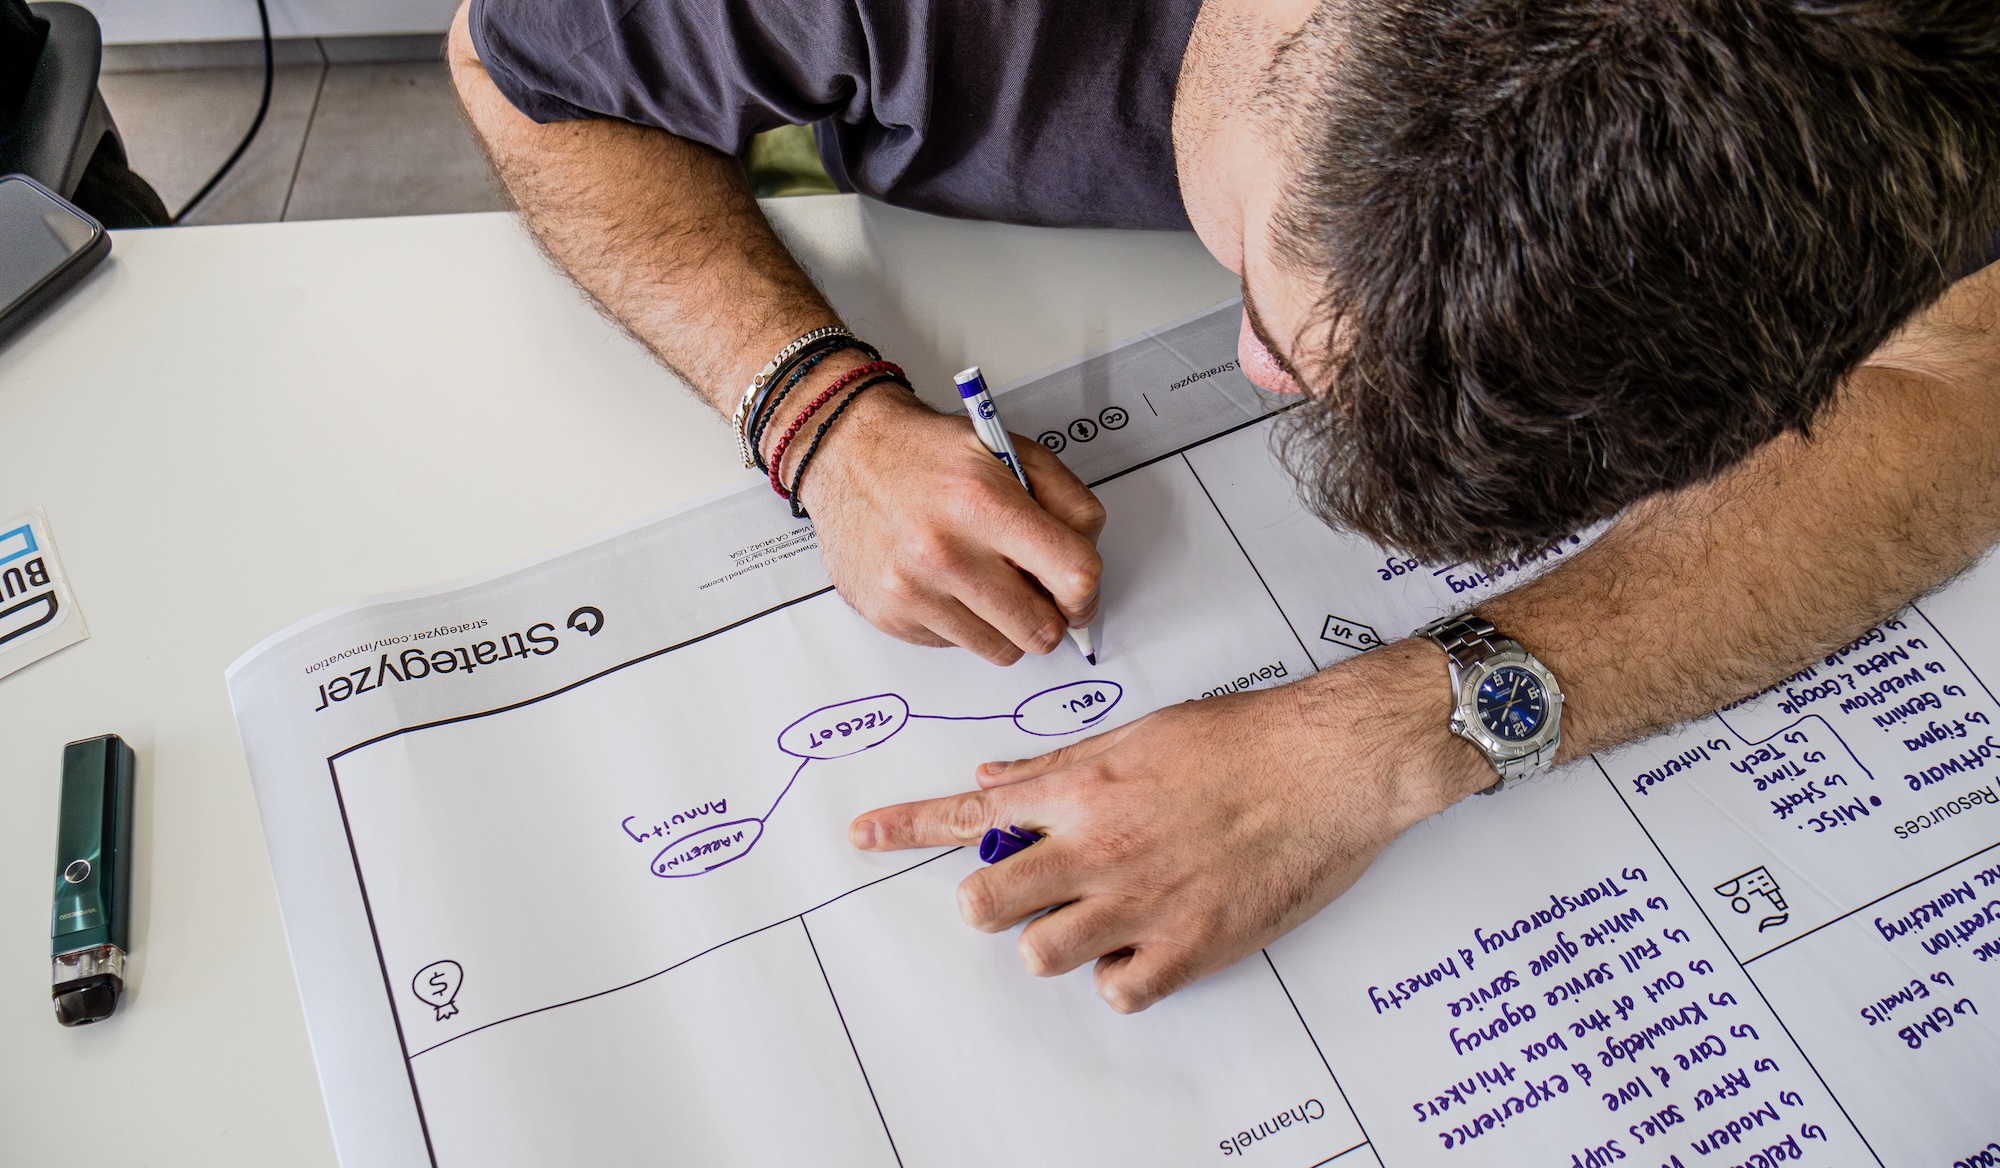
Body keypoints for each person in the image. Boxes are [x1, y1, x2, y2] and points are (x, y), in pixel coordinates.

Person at [450, 0, 2000, 1012]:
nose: (1255, 368)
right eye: (1267, 290)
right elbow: (515, 71)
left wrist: (1388, 734)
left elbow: (1958, 384)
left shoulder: (1918, 62)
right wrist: (810, 408)